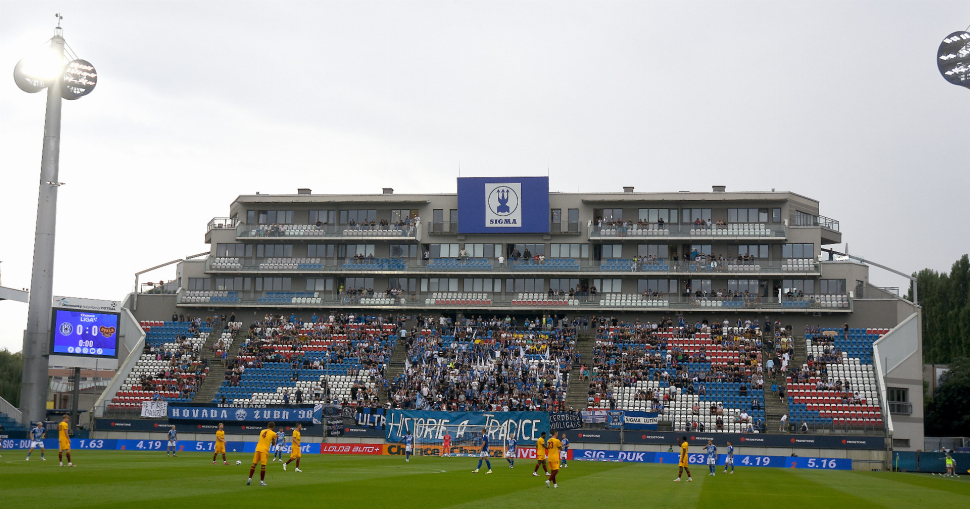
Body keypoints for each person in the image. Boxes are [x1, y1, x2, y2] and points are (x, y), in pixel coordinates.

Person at [248, 421, 277, 486]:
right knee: (263, 466)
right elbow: (273, 444)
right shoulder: (273, 434)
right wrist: (275, 438)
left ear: (268, 426)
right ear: (273, 427)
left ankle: (249, 479)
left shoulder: (262, 431)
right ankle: (261, 481)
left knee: (254, 464)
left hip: (257, 449)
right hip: (264, 450)